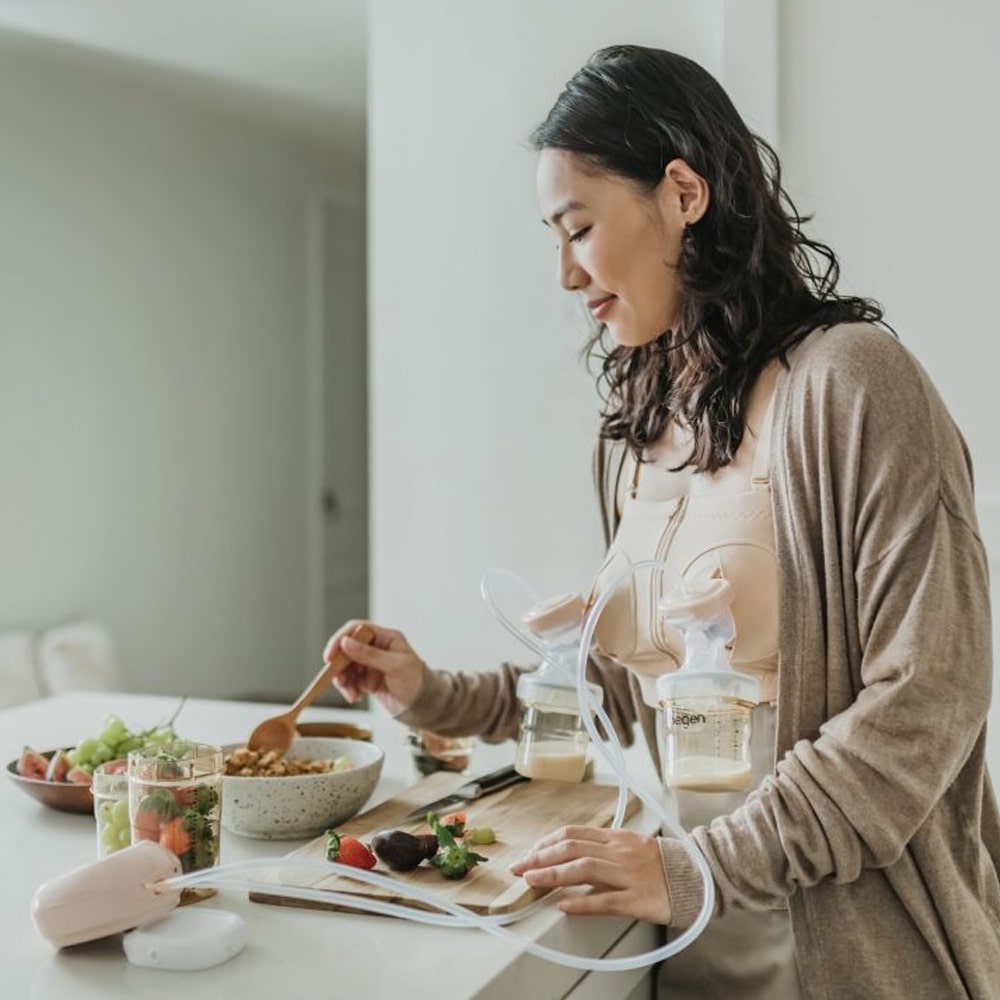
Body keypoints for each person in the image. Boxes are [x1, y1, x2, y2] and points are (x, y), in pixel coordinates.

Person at [324, 45, 1000, 999]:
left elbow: (929, 701)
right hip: (681, 945)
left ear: (683, 192)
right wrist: (436, 693)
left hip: (842, 953)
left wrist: (702, 869)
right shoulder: (641, 431)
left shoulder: (851, 382)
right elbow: (618, 681)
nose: (564, 273)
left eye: (579, 227)